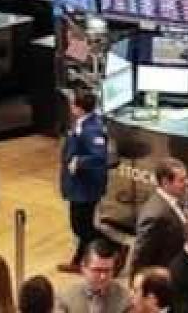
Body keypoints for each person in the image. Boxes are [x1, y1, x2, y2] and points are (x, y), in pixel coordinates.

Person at [59, 90, 111, 274]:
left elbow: (99, 156)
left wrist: (78, 162)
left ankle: (114, 246)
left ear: (78, 108)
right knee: (84, 225)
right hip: (80, 185)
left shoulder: (91, 129)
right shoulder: (84, 123)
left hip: (85, 188)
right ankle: (79, 260)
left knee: (80, 227)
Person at [133, 158, 188, 273]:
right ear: (165, 182)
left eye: (186, 178)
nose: (187, 183)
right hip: (166, 276)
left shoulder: (178, 202)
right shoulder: (154, 216)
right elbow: (142, 257)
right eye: (182, 180)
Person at [58, 239, 133, 313]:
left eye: (107, 270)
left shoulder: (125, 299)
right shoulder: (65, 298)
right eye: (97, 270)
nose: (103, 276)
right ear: (83, 267)